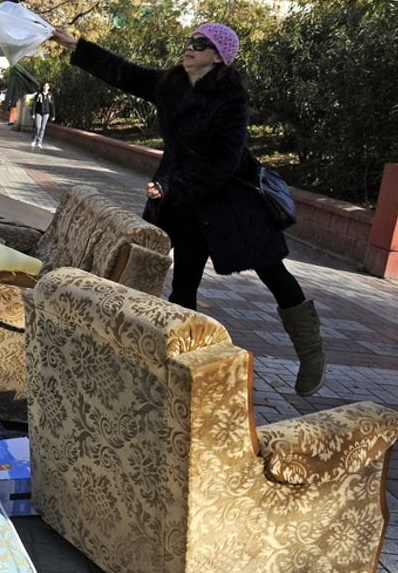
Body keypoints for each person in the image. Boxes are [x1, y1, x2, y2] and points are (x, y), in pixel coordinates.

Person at [48, 23, 326, 395]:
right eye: (190, 41)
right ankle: (175, 368)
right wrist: (75, 45)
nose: (190, 48)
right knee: (182, 283)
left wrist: (170, 185)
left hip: (231, 201)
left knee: (273, 272)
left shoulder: (231, 99)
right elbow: (124, 73)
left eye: (200, 44)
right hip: (180, 200)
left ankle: (311, 352)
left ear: (218, 56)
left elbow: (224, 160)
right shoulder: (172, 84)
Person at [30, 82, 55, 148]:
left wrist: (53, 115)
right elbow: (34, 104)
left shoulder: (50, 95)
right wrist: (33, 113)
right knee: (38, 127)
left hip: (46, 113)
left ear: (49, 88)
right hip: (38, 112)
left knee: (42, 128)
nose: (46, 87)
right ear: (43, 87)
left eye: (47, 86)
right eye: (44, 86)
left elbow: (52, 105)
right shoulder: (39, 94)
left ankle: (39, 142)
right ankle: (34, 140)